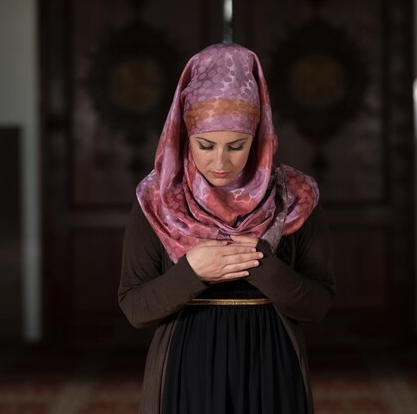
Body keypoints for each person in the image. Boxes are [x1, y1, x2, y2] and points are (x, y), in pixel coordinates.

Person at [119, 42, 335, 414]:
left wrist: (261, 264)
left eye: (237, 146)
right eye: (205, 145)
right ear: (186, 137)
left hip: (272, 362)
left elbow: (318, 304)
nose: (220, 162)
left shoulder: (294, 198)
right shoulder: (158, 200)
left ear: (259, 137)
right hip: (186, 365)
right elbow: (135, 308)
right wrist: (192, 272)